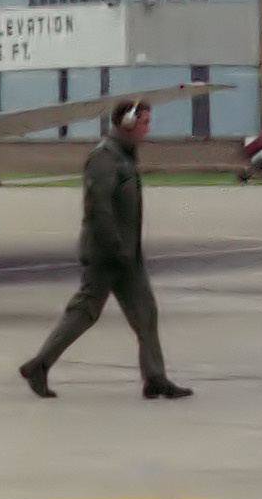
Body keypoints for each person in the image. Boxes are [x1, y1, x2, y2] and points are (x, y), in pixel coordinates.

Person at [18, 100, 193, 400]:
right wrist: (114, 248)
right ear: (126, 124)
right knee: (84, 312)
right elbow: (98, 208)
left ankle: (155, 378)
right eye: (144, 123)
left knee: (145, 311)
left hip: (126, 254)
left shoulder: (124, 158)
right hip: (106, 253)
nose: (147, 129)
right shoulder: (104, 158)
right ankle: (39, 365)